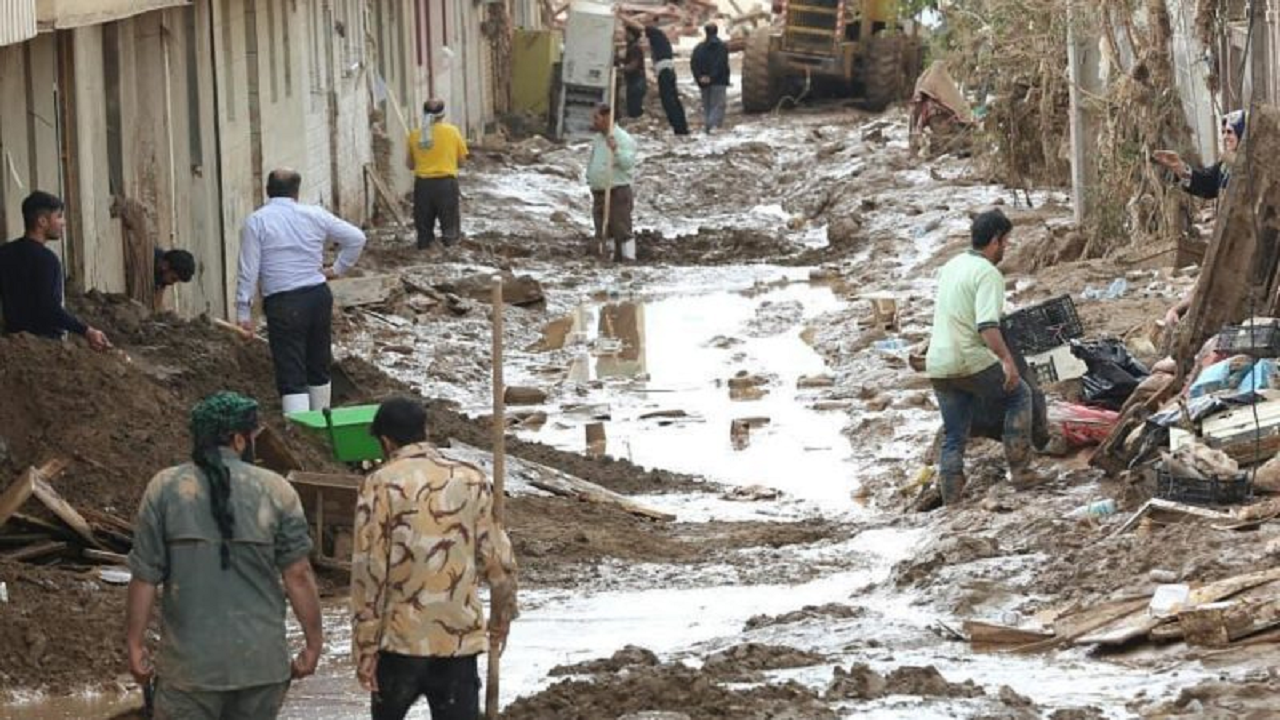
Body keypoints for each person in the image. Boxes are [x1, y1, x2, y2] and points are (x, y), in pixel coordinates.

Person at [125, 392, 324, 720]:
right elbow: (298, 574)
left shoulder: (164, 489)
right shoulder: (277, 491)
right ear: (238, 440)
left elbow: (144, 577)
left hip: (189, 672)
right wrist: (313, 644)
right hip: (261, 668)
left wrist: (135, 645)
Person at [351, 397, 517, 720]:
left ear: (386, 441)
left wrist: (365, 647)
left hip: (399, 644)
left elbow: (368, 573)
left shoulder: (379, 485)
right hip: (457, 642)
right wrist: (501, 617)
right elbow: (499, 560)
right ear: (425, 431)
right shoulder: (471, 479)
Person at [236, 169, 366, 416]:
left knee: (291, 369)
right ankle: (322, 425)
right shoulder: (315, 214)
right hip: (318, 296)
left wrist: (244, 312)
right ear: (296, 192)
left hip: (284, 303)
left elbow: (248, 270)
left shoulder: (257, 221)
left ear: (268, 190)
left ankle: (298, 432)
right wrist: (337, 269)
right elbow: (356, 238)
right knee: (318, 364)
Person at [925, 209, 1034, 504]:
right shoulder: (988, 273)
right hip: (967, 358)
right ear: (996, 240)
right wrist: (1008, 362)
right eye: (1007, 242)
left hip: (938, 363)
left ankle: (951, 498)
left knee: (954, 433)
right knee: (1020, 395)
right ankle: (1021, 472)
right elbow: (987, 325)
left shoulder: (952, 265)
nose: (1006, 249)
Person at [0, 191, 111, 350]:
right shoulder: (47, 260)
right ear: (42, 221)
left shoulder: (4, 253)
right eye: (59, 216)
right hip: (45, 348)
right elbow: (50, 309)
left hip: (12, 346)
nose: (63, 222)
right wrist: (87, 331)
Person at [406, 99, 469, 253]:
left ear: (424, 114)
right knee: (450, 225)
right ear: (443, 114)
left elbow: (410, 165)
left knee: (424, 228)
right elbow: (462, 162)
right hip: (445, 185)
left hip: (423, 186)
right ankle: (451, 256)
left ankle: (424, 253)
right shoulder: (452, 132)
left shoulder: (415, 135)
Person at [1153, 110, 1246, 200]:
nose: (1225, 137)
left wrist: (1238, 165)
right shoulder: (1224, 168)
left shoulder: (1255, 167)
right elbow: (1206, 183)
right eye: (1223, 132)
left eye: (1229, 132)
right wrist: (1179, 167)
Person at [586, 103, 638, 262]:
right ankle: (608, 257)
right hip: (599, 191)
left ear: (608, 118)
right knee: (603, 228)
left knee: (621, 227)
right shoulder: (598, 139)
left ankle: (629, 258)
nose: (593, 121)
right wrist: (590, 176)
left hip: (617, 191)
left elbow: (628, 163)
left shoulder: (623, 138)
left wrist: (616, 149)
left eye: (597, 117)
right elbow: (594, 159)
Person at [644, 24, 690, 136]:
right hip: (666, 71)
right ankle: (680, 127)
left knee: (669, 101)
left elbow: (642, 27)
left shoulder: (656, 36)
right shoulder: (661, 42)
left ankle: (679, 128)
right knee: (672, 100)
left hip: (664, 72)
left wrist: (622, 16)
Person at [690, 23, 731, 133]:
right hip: (719, 81)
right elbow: (721, 64)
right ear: (716, 31)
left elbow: (694, 64)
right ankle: (713, 125)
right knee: (718, 105)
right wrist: (712, 77)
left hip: (703, 82)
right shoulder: (722, 47)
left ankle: (708, 126)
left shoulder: (698, 48)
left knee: (707, 105)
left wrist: (699, 77)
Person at [620, 27, 647, 119]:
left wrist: (621, 68)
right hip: (634, 82)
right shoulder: (631, 47)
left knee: (634, 109)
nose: (625, 35)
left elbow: (633, 65)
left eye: (627, 33)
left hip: (636, 82)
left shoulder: (635, 47)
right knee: (632, 107)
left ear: (632, 35)